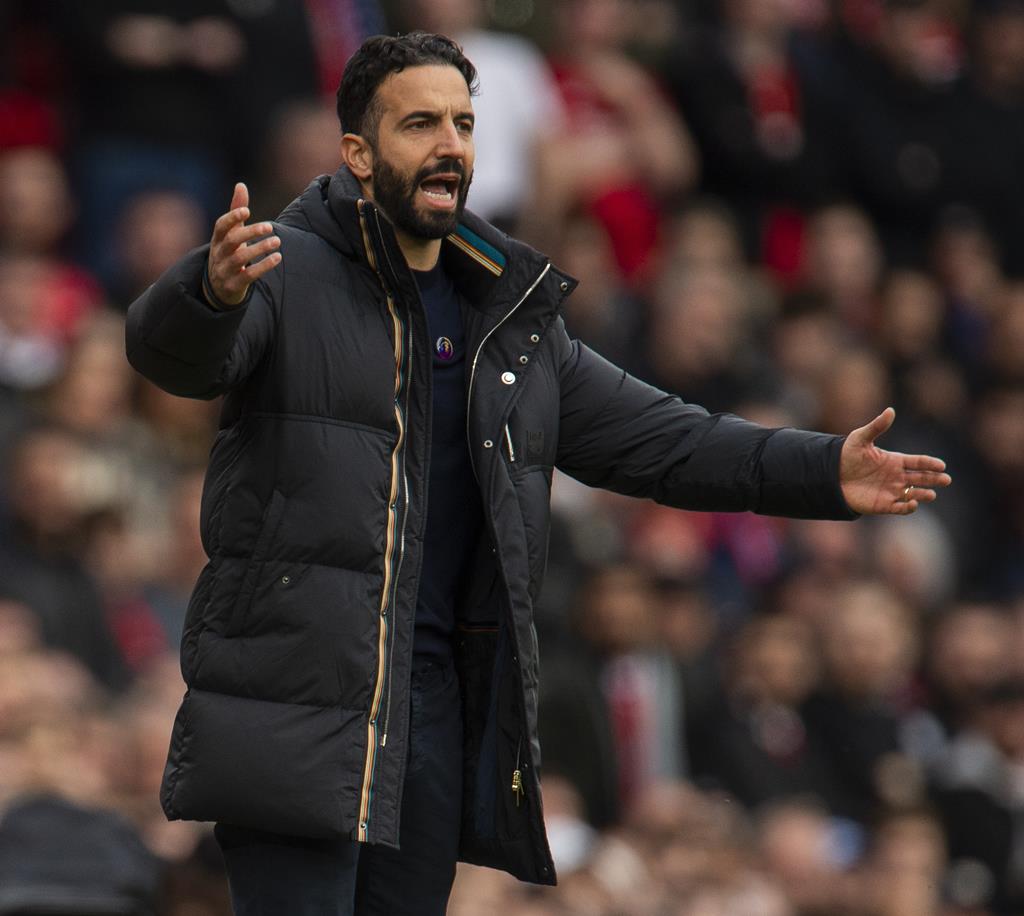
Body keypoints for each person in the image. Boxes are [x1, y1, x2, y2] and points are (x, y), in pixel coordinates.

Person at [124, 31, 951, 916]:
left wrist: (824, 468)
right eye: (419, 124)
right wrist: (208, 292)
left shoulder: (506, 314)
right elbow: (175, 358)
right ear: (359, 155)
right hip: (298, 706)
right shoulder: (281, 272)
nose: (450, 144)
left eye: (464, 124)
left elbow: (667, 440)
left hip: (437, 718)